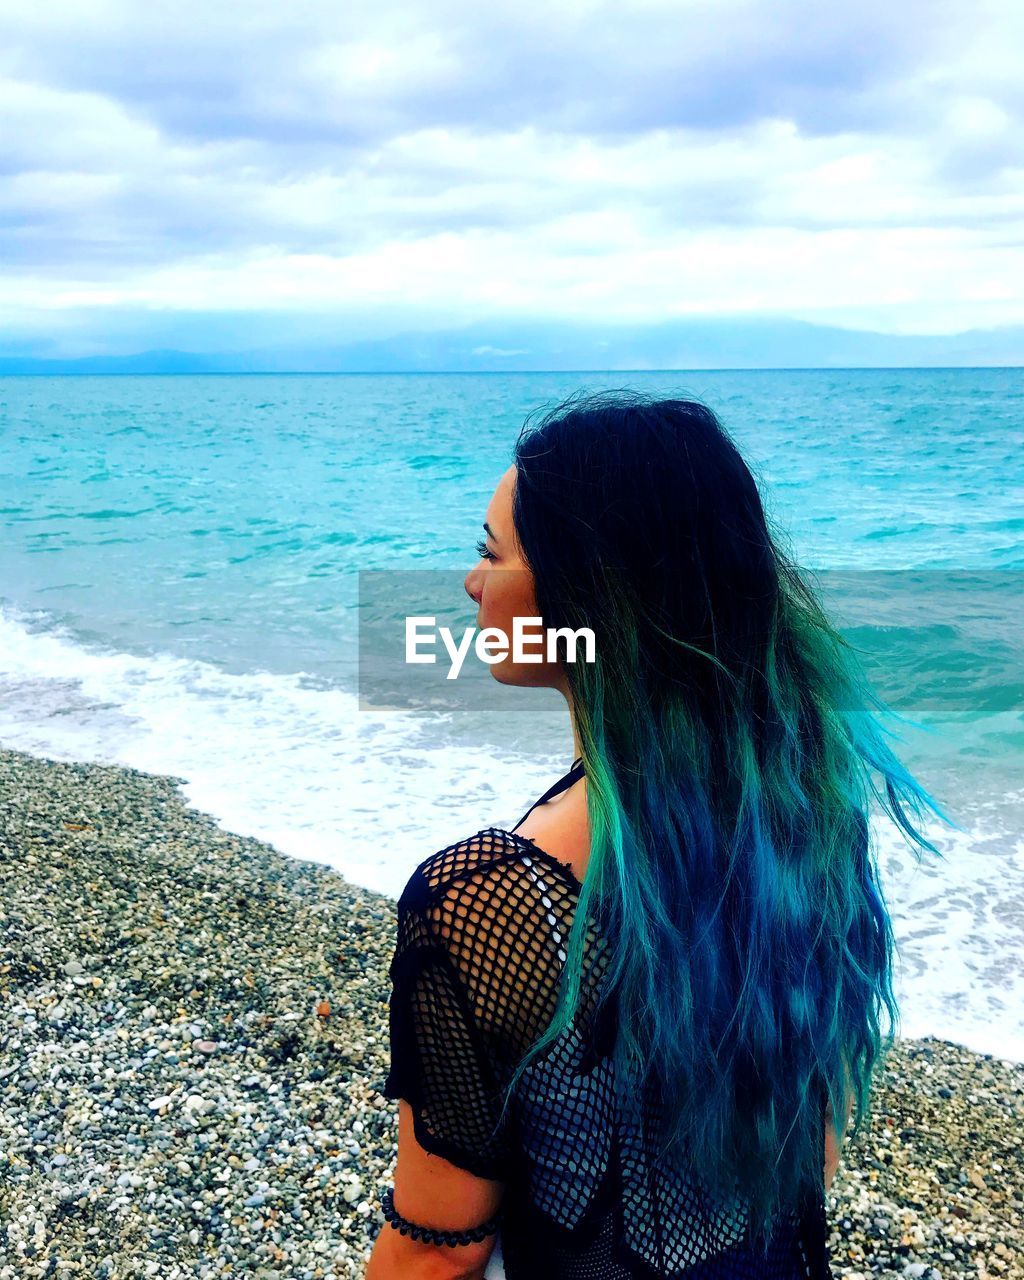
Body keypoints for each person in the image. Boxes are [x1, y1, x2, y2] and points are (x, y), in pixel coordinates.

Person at [364, 390, 949, 1280]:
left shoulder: (481, 897)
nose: (473, 582)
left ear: (588, 594)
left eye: (493, 554)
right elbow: (815, 1148)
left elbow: (435, 1253)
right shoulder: (805, 815)